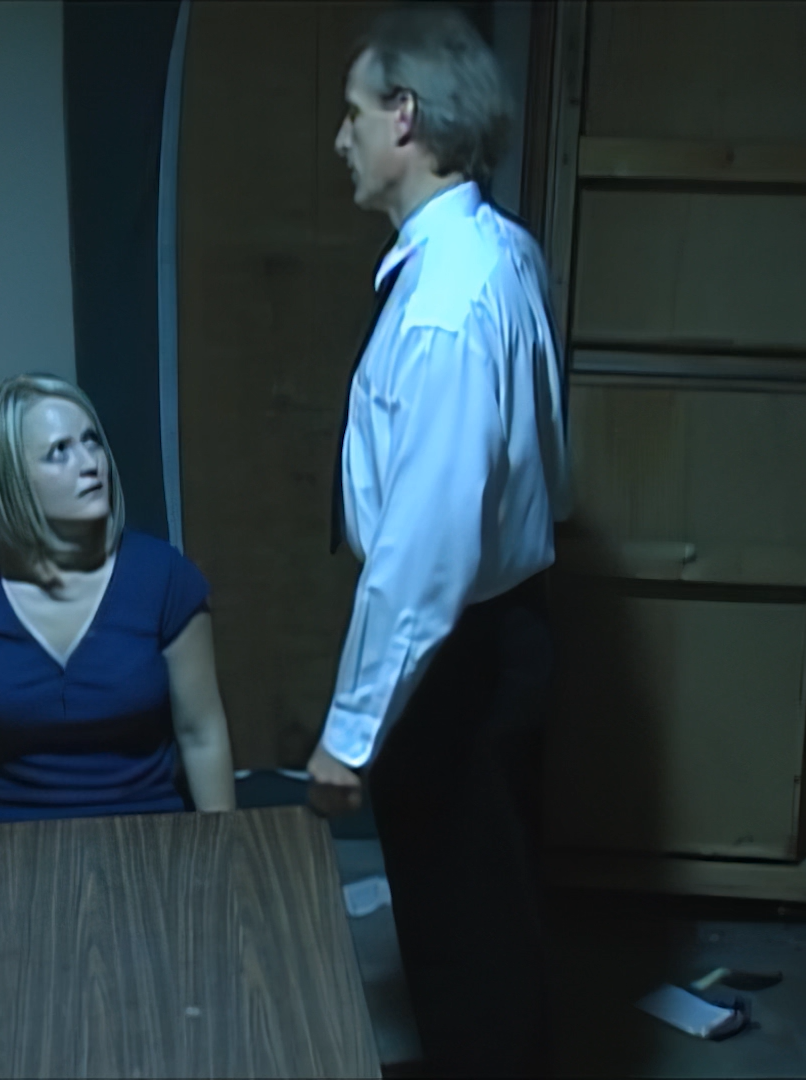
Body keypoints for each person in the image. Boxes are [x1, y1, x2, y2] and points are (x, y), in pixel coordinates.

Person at [309, 6, 571, 1076]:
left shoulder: (446, 305)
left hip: (459, 650)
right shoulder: (496, 251)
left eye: (353, 112)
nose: (341, 137)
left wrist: (350, 734)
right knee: (481, 913)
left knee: (468, 930)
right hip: (499, 636)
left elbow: (426, 553)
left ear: (404, 117)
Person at [0, 373, 237, 827]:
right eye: (59, 451)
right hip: (0, 838)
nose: (90, 463)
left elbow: (201, 734)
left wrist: (224, 849)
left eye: (91, 441)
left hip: (147, 835)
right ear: (11, 480)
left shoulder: (164, 577)